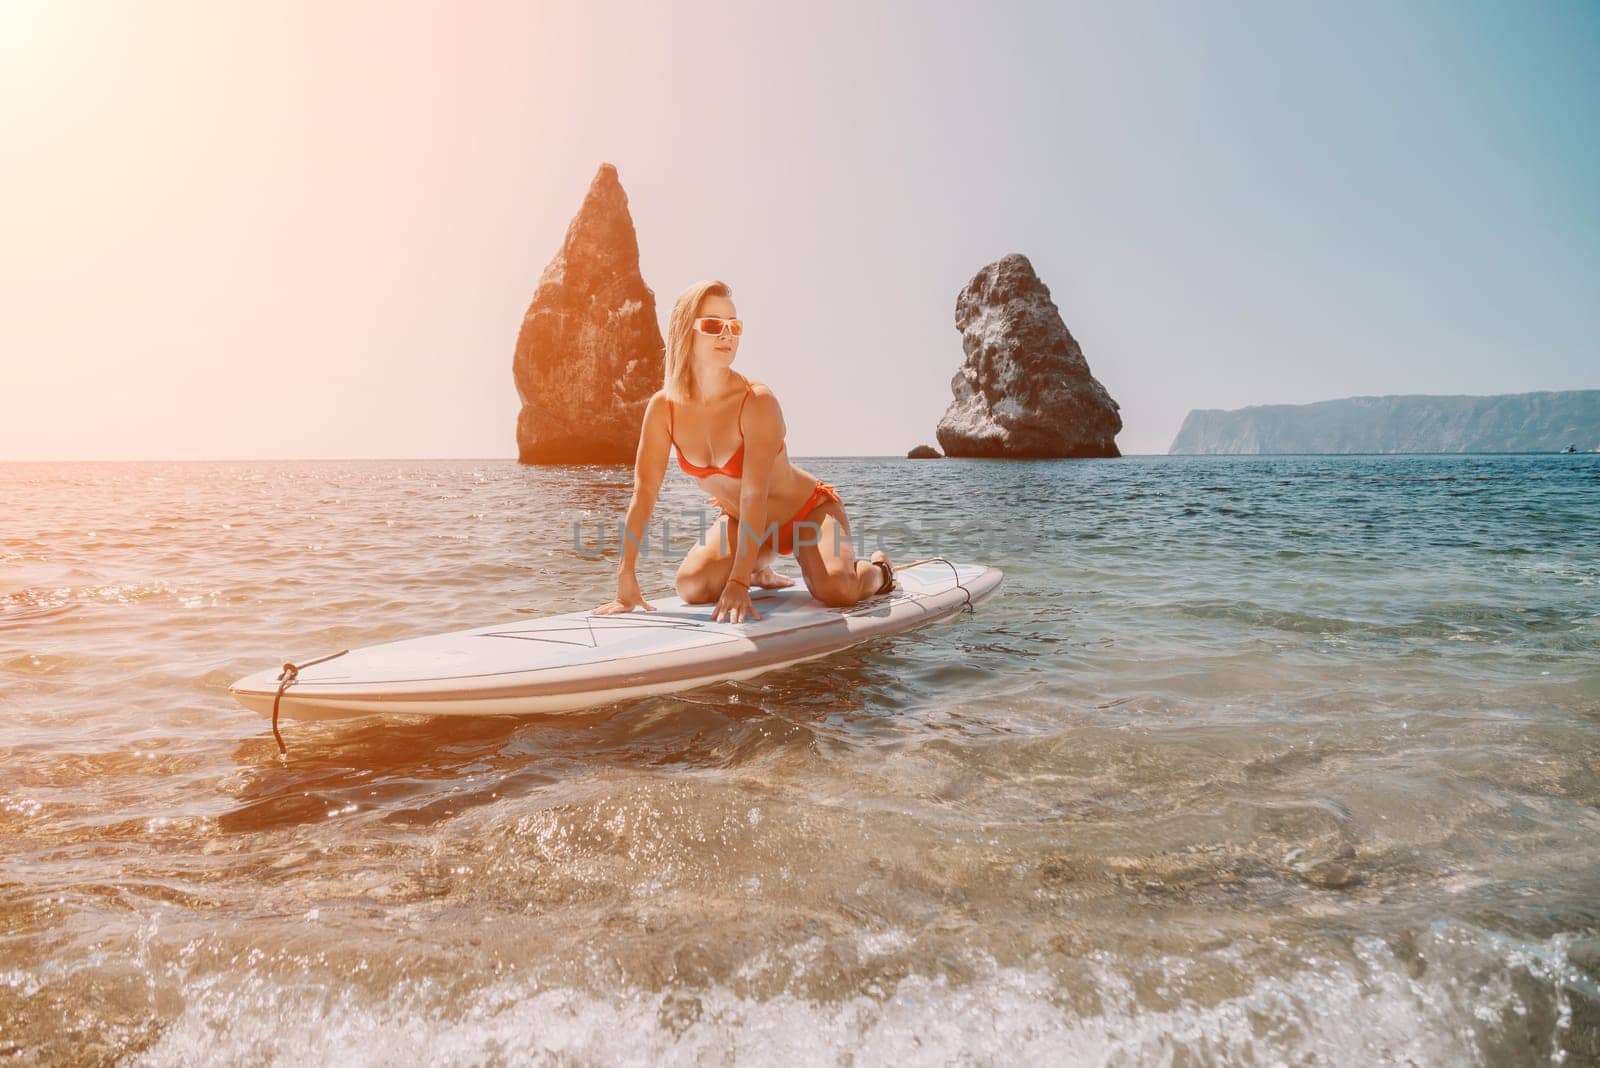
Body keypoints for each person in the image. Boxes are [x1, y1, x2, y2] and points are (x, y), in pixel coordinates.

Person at [594, 279, 894, 623]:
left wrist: (736, 582)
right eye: (712, 325)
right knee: (691, 587)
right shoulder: (664, 409)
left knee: (837, 591)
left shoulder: (757, 401)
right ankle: (758, 566)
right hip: (743, 522)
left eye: (733, 325)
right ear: (684, 331)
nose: (727, 334)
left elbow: (754, 494)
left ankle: (881, 570)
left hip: (806, 515)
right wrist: (626, 576)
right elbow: (644, 493)